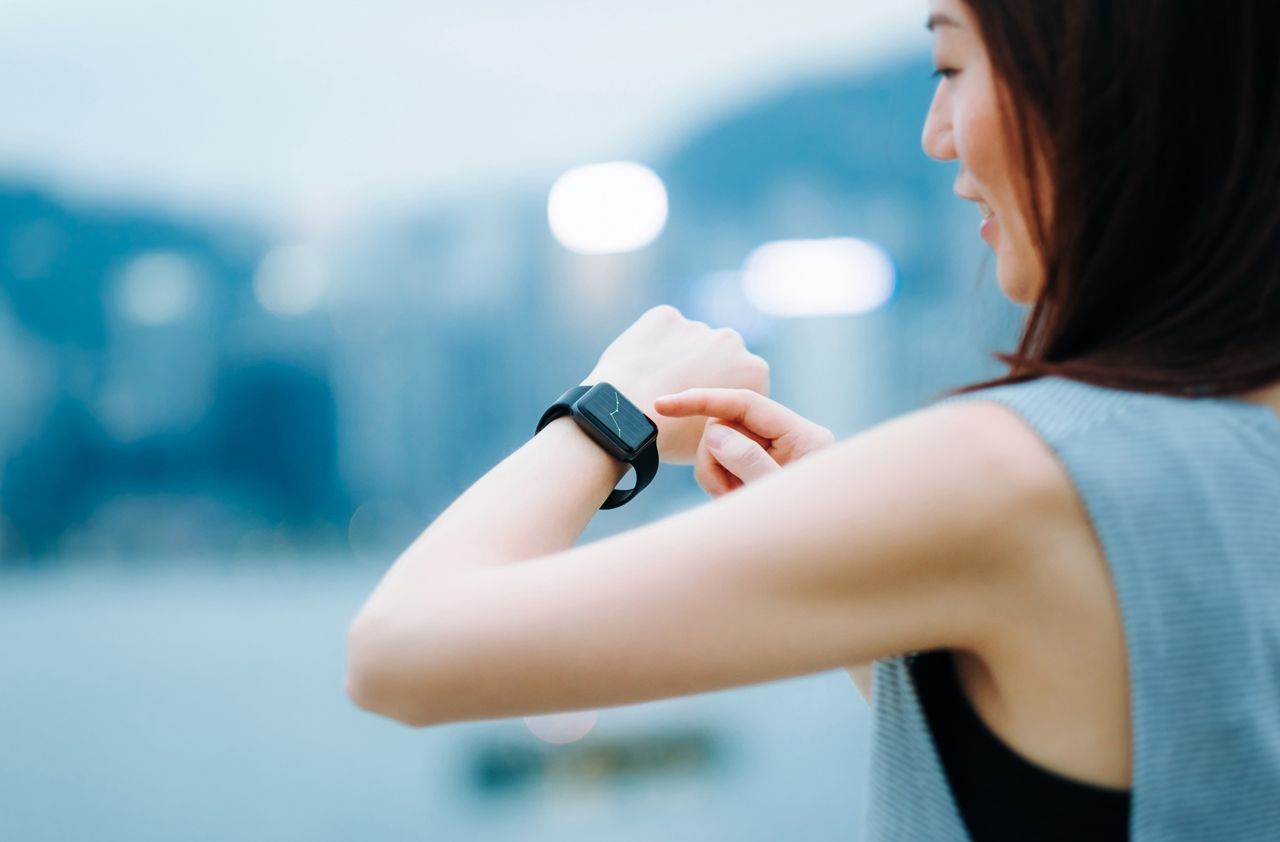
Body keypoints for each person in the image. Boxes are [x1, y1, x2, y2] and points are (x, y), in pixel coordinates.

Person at [345, 1, 1280, 839]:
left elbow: (399, 652)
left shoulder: (1015, 473)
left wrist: (608, 410)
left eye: (951, 66)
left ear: (1106, 88)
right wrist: (881, 549)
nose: (936, 135)